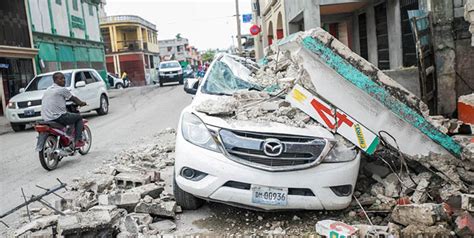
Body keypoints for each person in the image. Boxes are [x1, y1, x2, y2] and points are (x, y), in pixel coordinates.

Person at [42, 72, 87, 148]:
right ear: (55, 80)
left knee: (69, 116)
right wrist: (82, 103)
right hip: (57, 117)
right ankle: (78, 141)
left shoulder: (48, 89)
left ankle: (66, 137)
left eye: (64, 78)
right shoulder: (62, 89)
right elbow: (74, 99)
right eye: (61, 79)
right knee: (78, 117)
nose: (64, 80)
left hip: (46, 118)